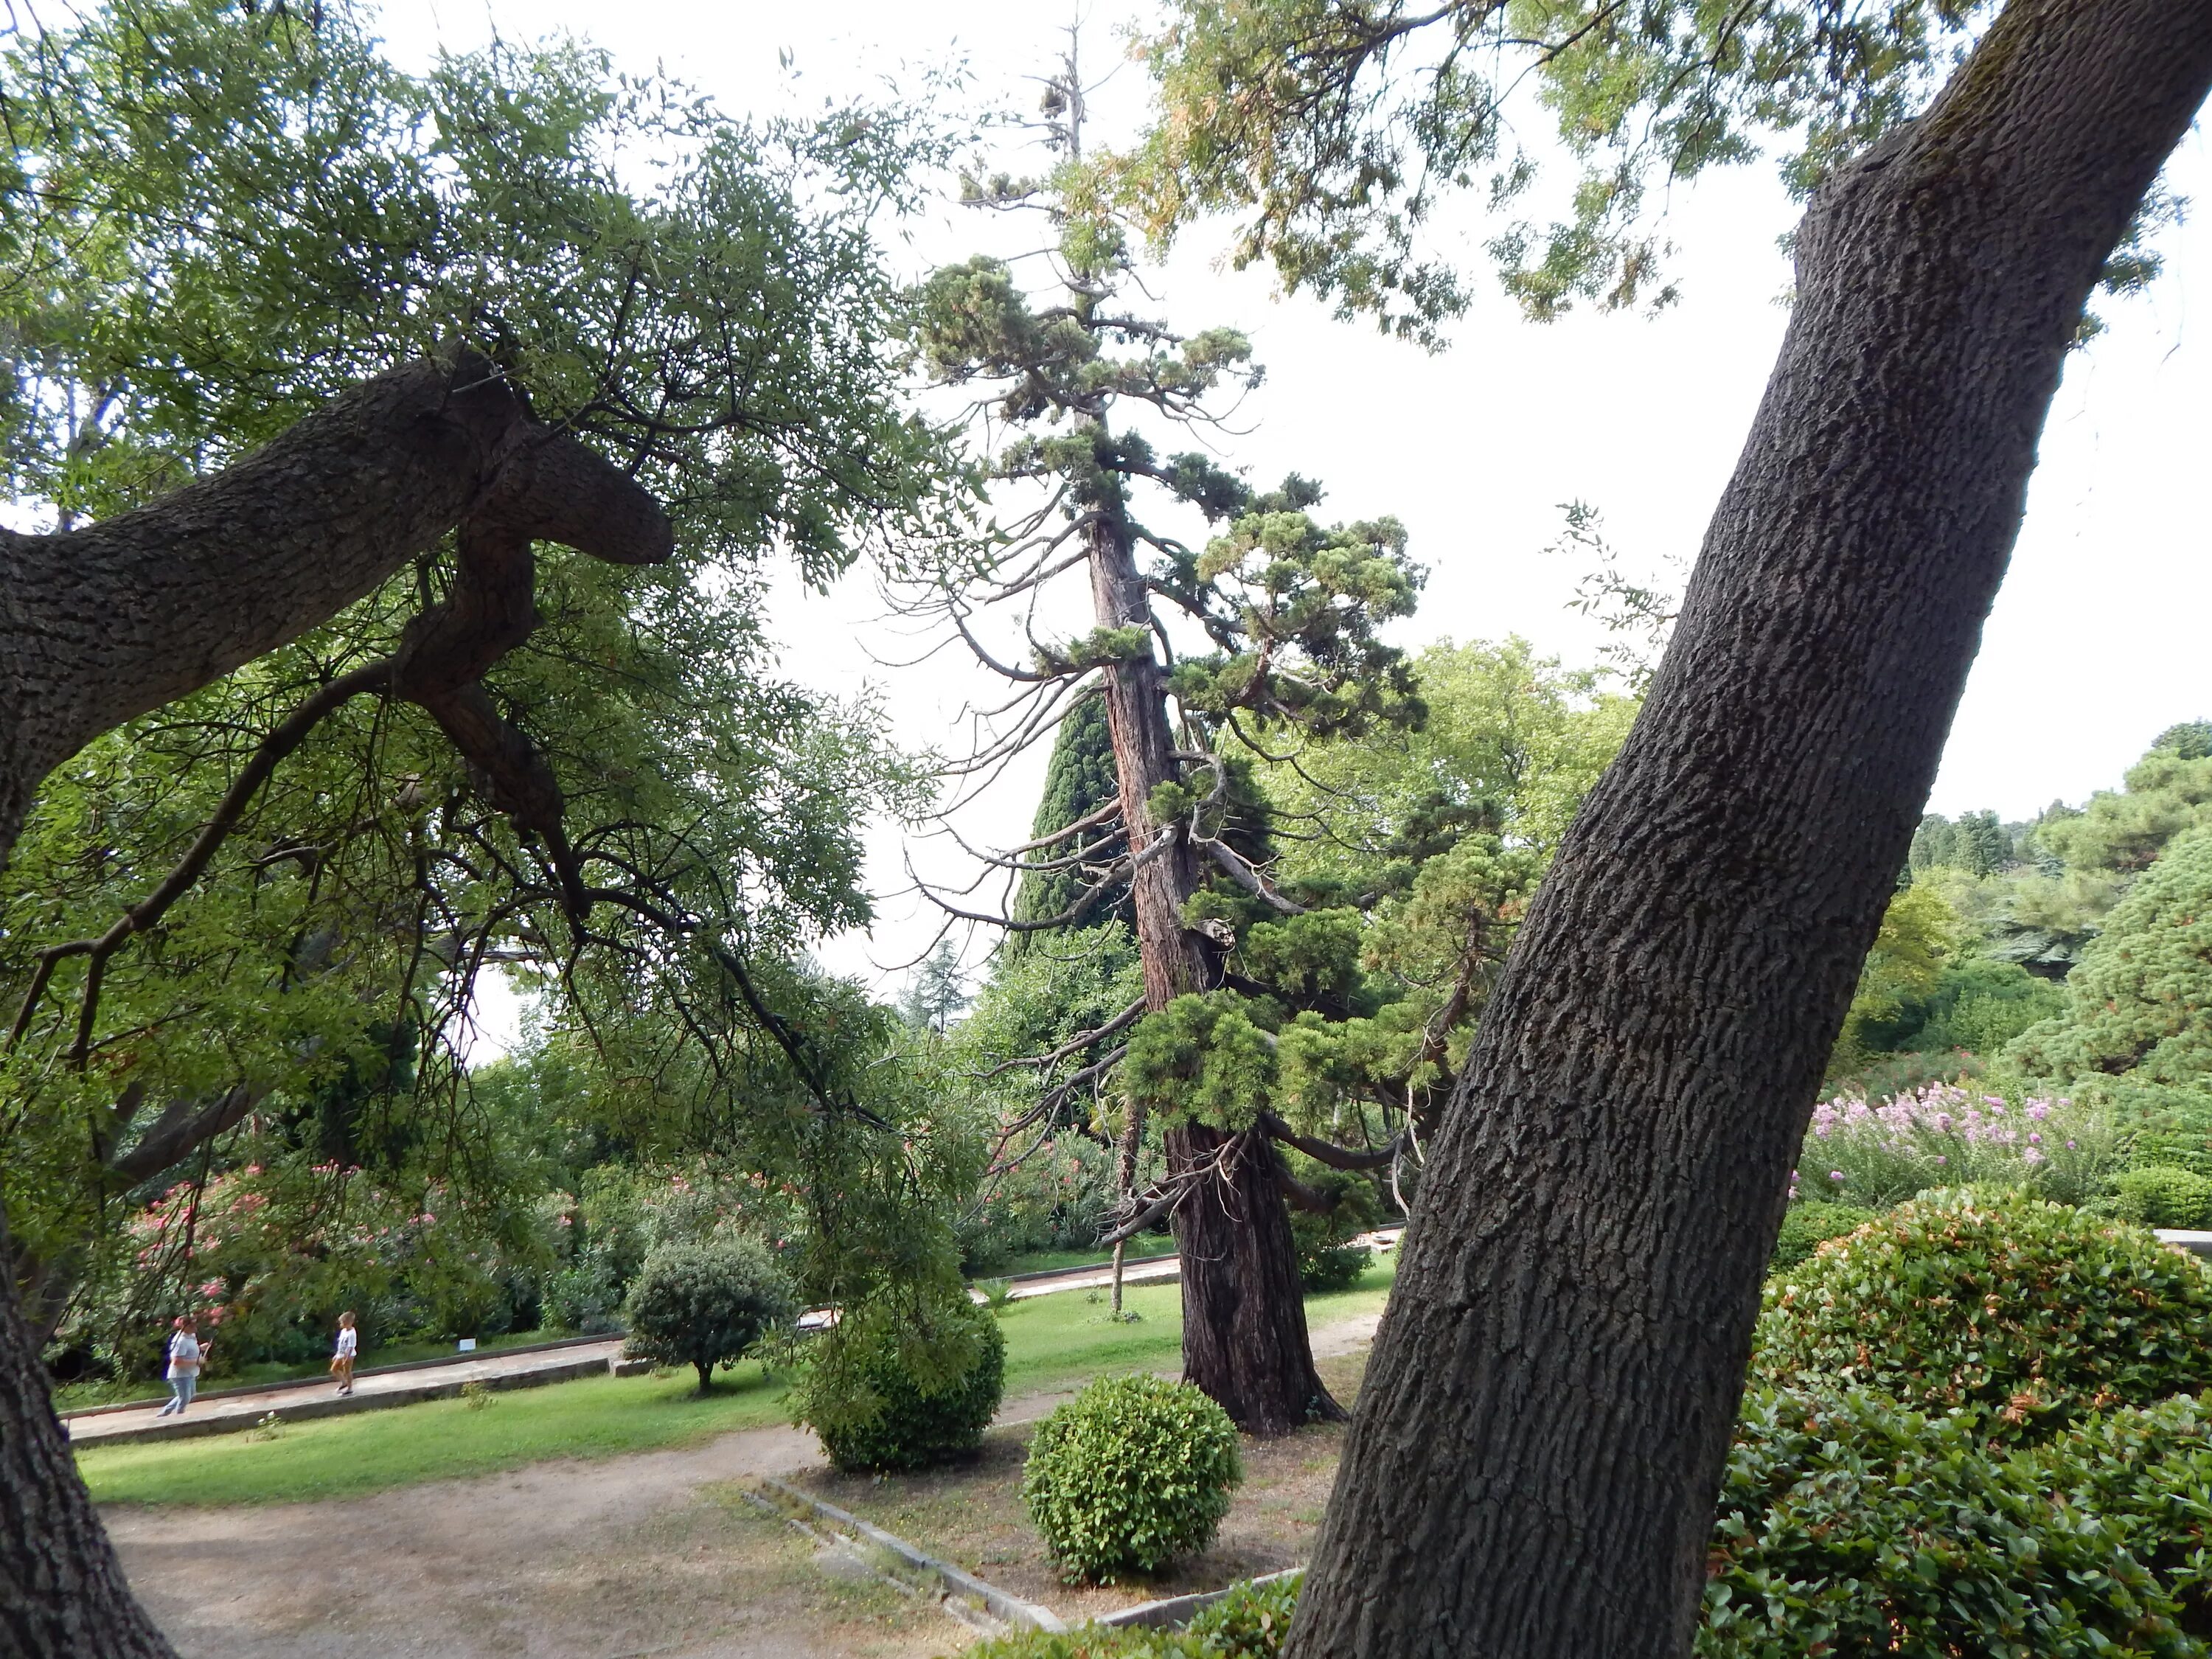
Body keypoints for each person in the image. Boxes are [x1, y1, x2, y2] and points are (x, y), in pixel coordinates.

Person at [156, 1314, 205, 1416]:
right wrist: (197, 1361)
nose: (196, 1327)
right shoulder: (180, 1341)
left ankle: (165, 1412)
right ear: (186, 1326)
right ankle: (179, 1417)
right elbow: (176, 1361)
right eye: (193, 1325)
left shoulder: (191, 1337)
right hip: (180, 1375)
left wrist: (200, 1348)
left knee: (189, 1395)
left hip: (190, 1372)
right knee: (185, 1398)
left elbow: (189, 1351)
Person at [330, 1310, 358, 1396]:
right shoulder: (343, 1331)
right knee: (334, 1369)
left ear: (348, 1322)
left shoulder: (352, 1334)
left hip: (348, 1355)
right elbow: (341, 1344)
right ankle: (344, 1382)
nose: (340, 1324)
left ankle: (350, 1388)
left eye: (342, 1322)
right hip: (341, 1354)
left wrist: (346, 1358)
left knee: (347, 1372)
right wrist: (338, 1354)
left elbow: (350, 1347)